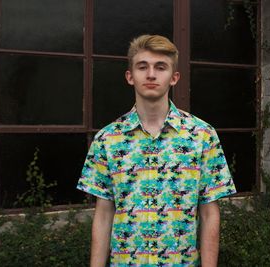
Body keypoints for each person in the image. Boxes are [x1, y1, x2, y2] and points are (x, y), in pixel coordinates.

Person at [77, 34, 236, 267]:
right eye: (143, 67)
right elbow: (103, 216)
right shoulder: (107, 139)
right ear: (130, 77)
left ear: (174, 77)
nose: (151, 74)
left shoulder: (202, 136)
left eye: (160, 67)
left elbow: (209, 214)